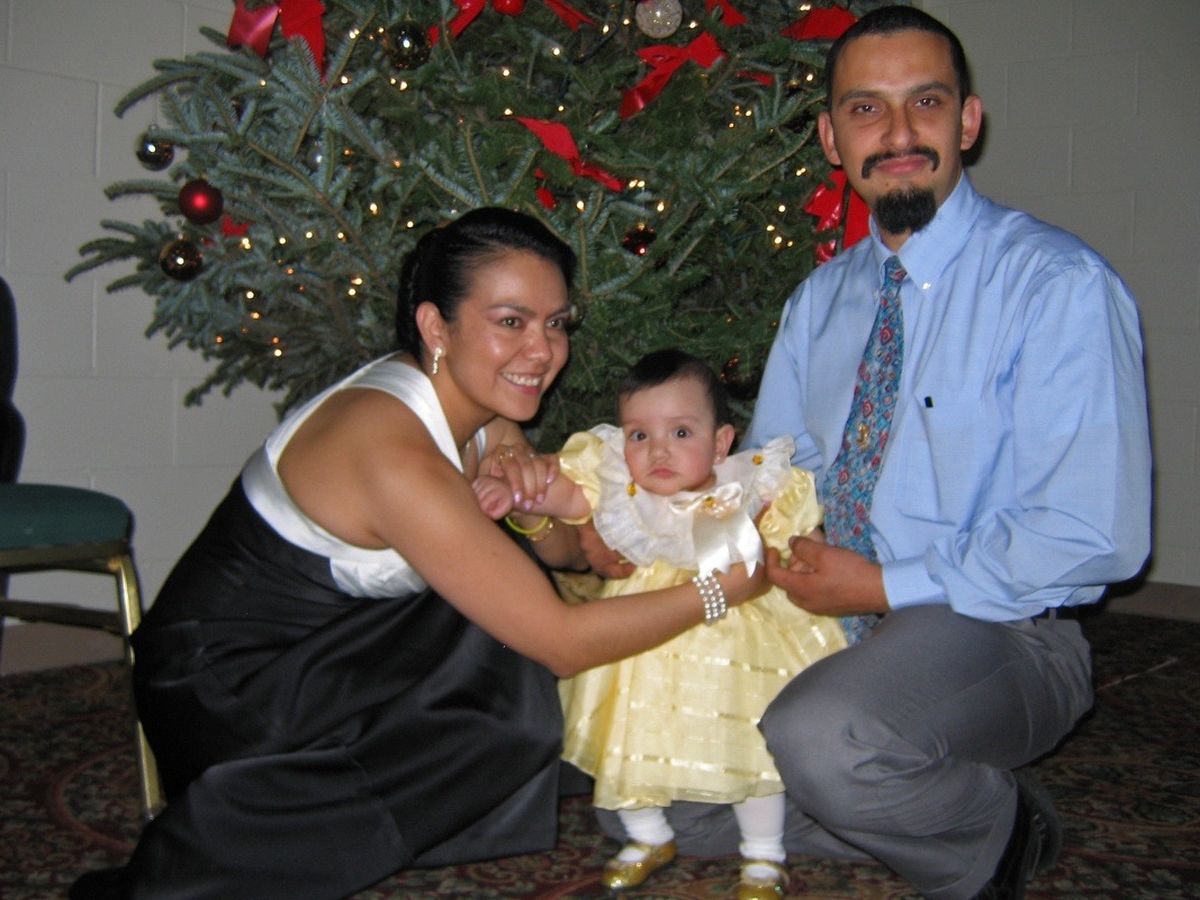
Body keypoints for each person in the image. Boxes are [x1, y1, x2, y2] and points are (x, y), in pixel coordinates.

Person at [583, 7, 1152, 900]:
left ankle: (997, 828)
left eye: (925, 102)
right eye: (864, 109)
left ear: (968, 121)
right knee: (650, 786)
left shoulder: (1054, 286)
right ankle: (906, 789)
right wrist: (645, 526)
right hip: (820, 615)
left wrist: (886, 586)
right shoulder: (820, 300)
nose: (897, 134)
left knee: (821, 739)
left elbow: (1093, 535)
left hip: (998, 625)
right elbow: (768, 479)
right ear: (830, 137)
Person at [69, 208, 766, 900]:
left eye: (556, 323)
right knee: (513, 655)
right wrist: (722, 588)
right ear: (436, 326)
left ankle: (384, 807)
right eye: (511, 321)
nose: (543, 351)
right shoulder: (393, 450)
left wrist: (532, 504)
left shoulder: (483, 409)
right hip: (224, 687)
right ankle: (227, 844)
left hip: (326, 647)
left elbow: (566, 557)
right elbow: (562, 642)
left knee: (506, 647)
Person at [475, 349, 847, 898]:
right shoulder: (624, 493)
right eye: (639, 435)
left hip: (740, 647)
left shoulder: (753, 487)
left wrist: (805, 554)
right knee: (627, 735)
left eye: (681, 432)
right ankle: (648, 835)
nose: (658, 451)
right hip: (639, 645)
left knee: (750, 743)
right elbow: (562, 493)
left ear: (720, 442)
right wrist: (515, 493)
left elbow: (796, 540)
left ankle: (765, 854)